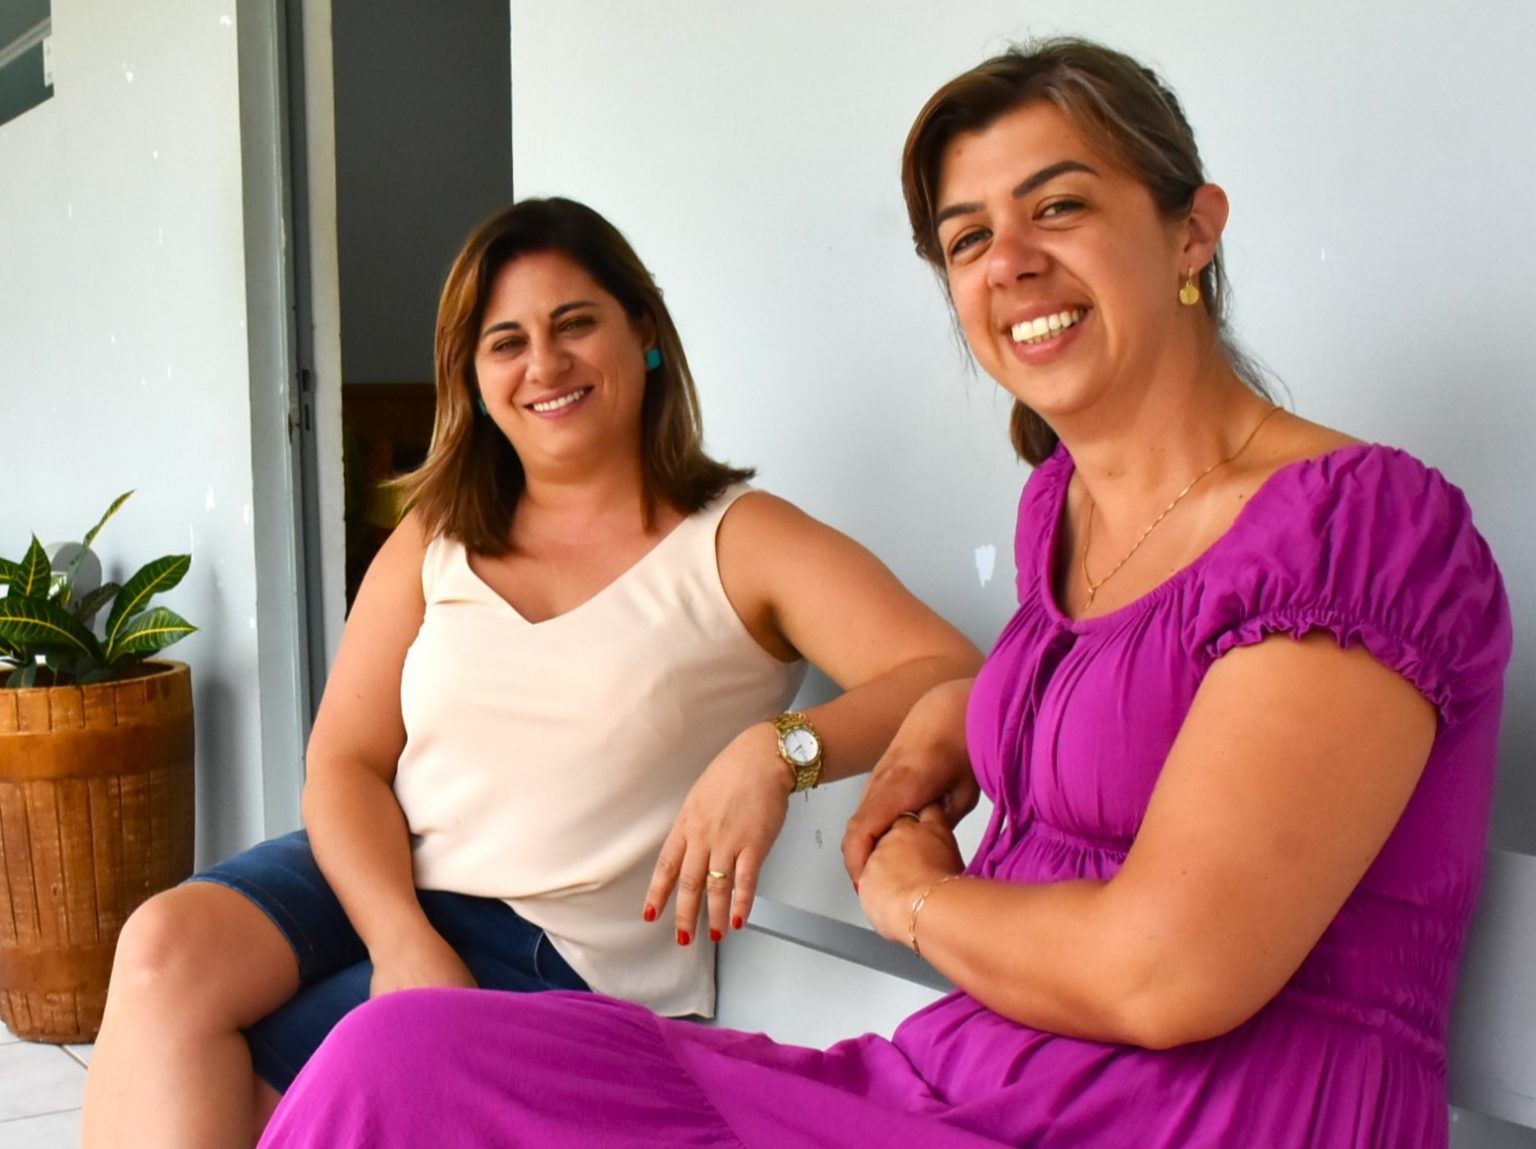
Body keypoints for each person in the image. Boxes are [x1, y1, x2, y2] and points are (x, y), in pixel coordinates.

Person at [253, 38, 1512, 1149]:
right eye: (968, 239)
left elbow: (1167, 973)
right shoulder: (1065, 515)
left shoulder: (1357, 529)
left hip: (1191, 1114)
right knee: (397, 1058)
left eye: (1058, 206)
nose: (1011, 262)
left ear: (1192, 230)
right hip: (955, 1086)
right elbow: (1102, 704)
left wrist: (916, 897)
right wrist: (937, 718)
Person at [80, 197, 983, 1149]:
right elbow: (344, 762)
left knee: (268, 1096)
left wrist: (778, 751)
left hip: (558, 945)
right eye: (505, 342)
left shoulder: (737, 539)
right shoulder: (437, 534)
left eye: (574, 323)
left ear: (644, 333)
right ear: (473, 379)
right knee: (162, 947)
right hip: (378, 878)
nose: (544, 365)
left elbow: (953, 672)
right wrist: (399, 937)